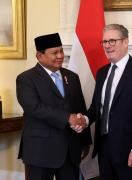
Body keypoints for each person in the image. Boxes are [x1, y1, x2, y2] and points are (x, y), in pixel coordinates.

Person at [86, 24, 132, 180]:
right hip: (104, 148)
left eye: (112, 41)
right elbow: (96, 108)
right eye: (104, 42)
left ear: (125, 42)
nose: (107, 45)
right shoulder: (102, 73)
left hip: (130, 151)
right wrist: (84, 119)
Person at [16, 33, 91, 180]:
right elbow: (34, 108)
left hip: (70, 150)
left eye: (61, 51)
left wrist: (85, 141)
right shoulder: (26, 79)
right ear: (39, 56)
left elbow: (80, 108)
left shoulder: (72, 77)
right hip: (40, 151)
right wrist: (67, 118)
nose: (60, 56)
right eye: (54, 53)